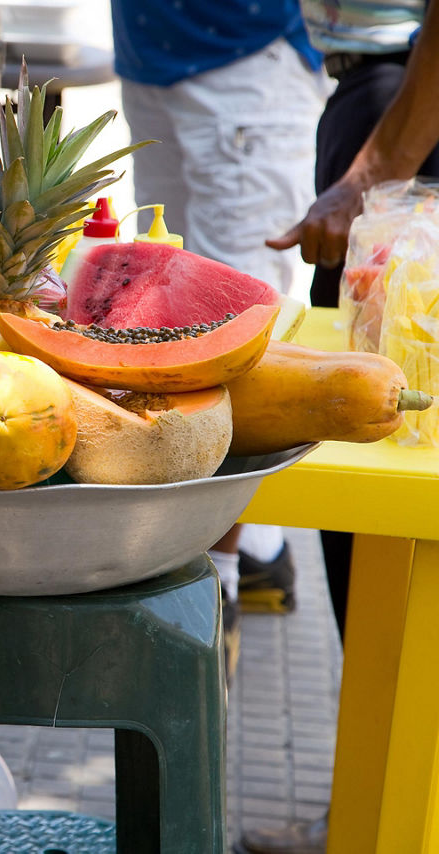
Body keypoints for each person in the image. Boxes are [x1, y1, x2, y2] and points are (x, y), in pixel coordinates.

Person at [237, 2, 439, 852]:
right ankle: (375, 806)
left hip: (407, 117)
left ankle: (376, 817)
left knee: (381, 461)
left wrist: (375, 169)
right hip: (389, 104)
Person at [108, 0, 331, 675]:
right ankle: (257, 554)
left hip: (244, 54)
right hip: (152, 49)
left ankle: (218, 587)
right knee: (163, 305)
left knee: (228, 337)